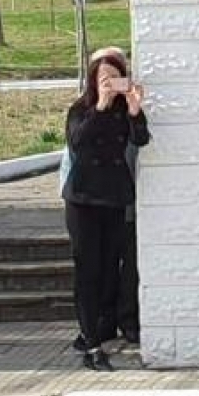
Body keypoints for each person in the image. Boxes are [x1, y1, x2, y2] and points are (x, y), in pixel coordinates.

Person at [62, 52, 150, 371]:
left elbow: (141, 138)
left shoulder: (123, 111)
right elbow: (79, 143)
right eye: (103, 78)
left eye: (115, 76)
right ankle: (92, 344)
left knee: (111, 267)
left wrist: (135, 109)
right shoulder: (81, 109)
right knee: (87, 271)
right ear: (93, 81)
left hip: (113, 198)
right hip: (83, 199)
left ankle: (100, 329)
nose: (110, 83)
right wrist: (99, 104)